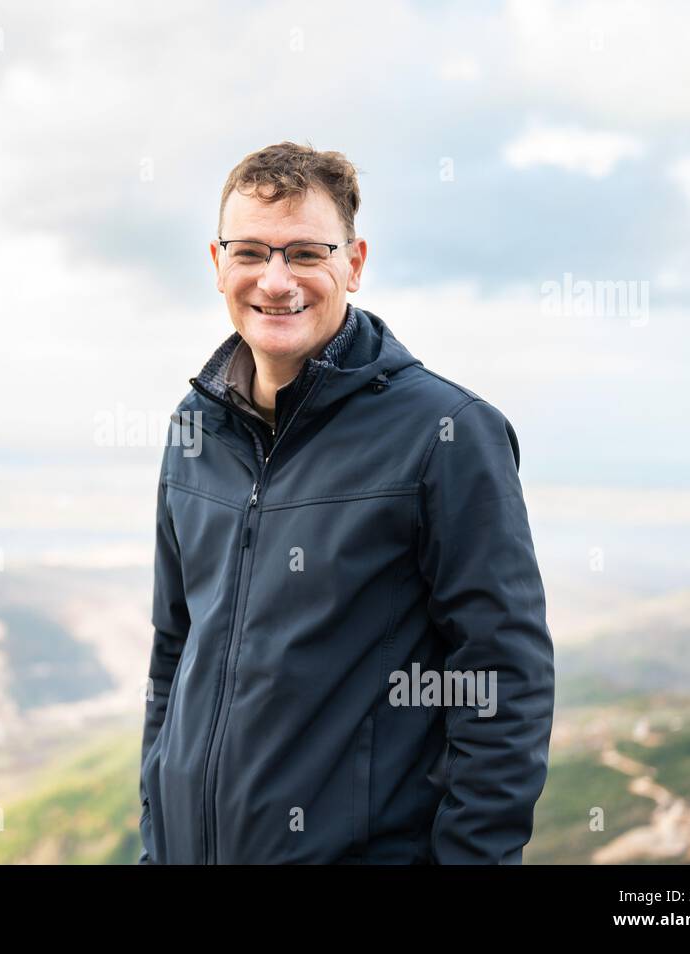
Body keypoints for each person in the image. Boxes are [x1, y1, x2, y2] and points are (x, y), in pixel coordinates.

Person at [137, 141, 554, 864]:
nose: (275, 281)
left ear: (353, 264)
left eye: (305, 252)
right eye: (250, 253)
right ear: (216, 263)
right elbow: (174, 653)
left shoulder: (446, 434)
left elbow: (499, 680)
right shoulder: (194, 427)